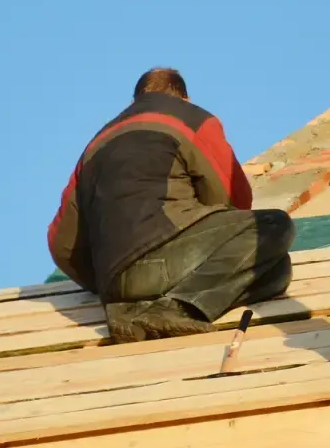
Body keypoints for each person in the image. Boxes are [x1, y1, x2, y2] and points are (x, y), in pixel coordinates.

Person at [48, 68, 294, 344]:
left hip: (114, 287)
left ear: (134, 100)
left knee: (277, 270)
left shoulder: (95, 144)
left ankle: (134, 310)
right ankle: (175, 308)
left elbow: (61, 242)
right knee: (272, 227)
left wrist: (105, 283)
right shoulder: (192, 119)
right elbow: (232, 199)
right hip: (170, 261)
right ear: (184, 98)